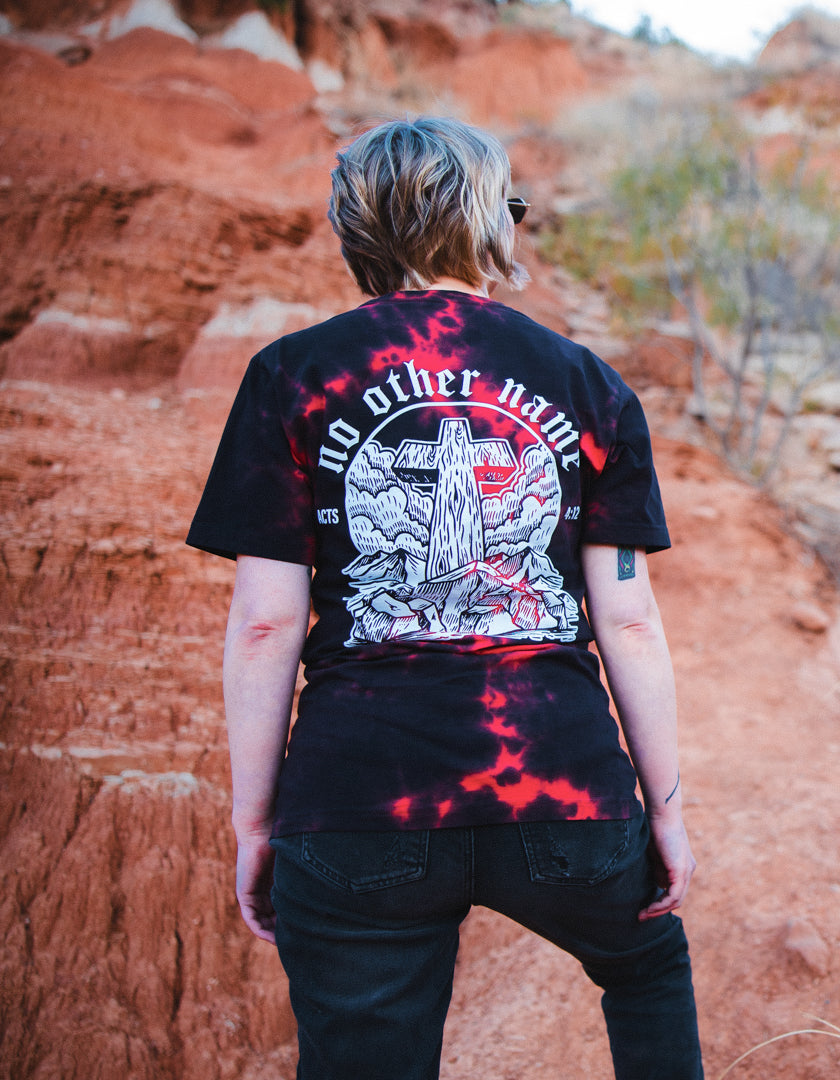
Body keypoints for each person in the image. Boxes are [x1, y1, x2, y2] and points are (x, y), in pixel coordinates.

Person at [187, 115, 703, 1080]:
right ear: (487, 222)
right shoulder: (586, 382)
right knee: (643, 972)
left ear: (358, 231)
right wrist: (662, 812)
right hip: (562, 789)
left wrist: (257, 823)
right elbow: (626, 616)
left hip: (358, 800)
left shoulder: (293, 377)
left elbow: (265, 624)